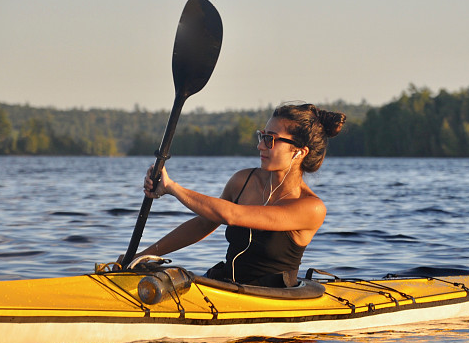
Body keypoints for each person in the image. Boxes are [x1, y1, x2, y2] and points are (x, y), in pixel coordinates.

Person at [129, 103, 346, 287]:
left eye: (270, 139)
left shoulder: (311, 207)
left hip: (274, 297)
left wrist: (171, 187)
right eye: (262, 136)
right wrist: (140, 258)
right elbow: (204, 224)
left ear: (300, 151)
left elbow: (232, 215)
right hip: (226, 284)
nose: (260, 145)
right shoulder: (243, 181)